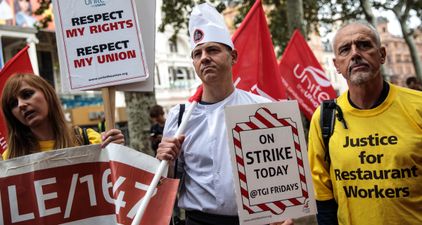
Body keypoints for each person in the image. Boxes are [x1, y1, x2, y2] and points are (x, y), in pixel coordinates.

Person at [156, 3, 293, 225]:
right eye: (197, 53)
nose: (204, 58)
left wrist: (283, 212)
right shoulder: (179, 116)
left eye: (213, 50)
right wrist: (163, 162)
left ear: (233, 56)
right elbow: (166, 184)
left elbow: (279, 173)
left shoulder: (262, 108)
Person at [308, 21, 422, 225]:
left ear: (382, 54)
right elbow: (323, 196)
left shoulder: (418, 106)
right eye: (345, 49)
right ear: (337, 65)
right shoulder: (325, 117)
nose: (355, 53)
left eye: (364, 45)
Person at [1, 73, 125, 160]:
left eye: (27, 94)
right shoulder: (8, 158)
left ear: (47, 94)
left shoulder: (89, 140)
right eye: (13, 104)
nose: (21, 105)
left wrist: (117, 151)